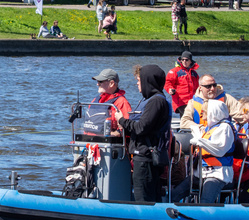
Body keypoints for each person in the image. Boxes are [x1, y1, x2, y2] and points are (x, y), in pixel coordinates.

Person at [114, 64, 170, 202]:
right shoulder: (151, 100)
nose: (137, 84)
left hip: (146, 157)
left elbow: (141, 127)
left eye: (139, 81)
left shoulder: (156, 101)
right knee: (149, 195)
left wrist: (121, 120)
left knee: (143, 197)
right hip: (144, 155)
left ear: (148, 81)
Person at [169, 99, 235, 203]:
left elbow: (220, 149)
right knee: (174, 195)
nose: (201, 113)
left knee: (205, 201)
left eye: (204, 111)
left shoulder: (225, 128)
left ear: (213, 112)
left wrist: (200, 141)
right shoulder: (208, 128)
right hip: (200, 174)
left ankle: (206, 216)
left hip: (217, 174)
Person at [82, 69, 132, 138]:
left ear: (111, 83)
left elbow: (127, 128)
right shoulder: (95, 100)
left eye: (100, 81)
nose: (97, 84)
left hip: (107, 144)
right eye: (97, 81)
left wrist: (114, 134)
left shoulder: (121, 102)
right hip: (87, 142)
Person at [165, 51, 199, 116]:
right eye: (182, 59)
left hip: (192, 101)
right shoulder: (174, 71)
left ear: (190, 61)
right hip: (180, 101)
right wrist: (170, 89)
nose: (184, 61)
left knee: (193, 117)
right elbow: (167, 82)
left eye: (186, 60)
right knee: (187, 116)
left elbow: (197, 87)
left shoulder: (194, 73)